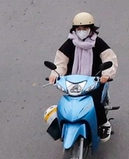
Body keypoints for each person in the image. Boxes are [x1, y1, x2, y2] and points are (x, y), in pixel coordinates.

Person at [47, 12, 118, 141]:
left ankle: (104, 123)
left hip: (94, 81)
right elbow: (60, 62)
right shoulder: (69, 44)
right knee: (65, 105)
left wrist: (106, 75)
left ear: (91, 29)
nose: (81, 31)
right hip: (72, 83)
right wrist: (54, 75)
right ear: (74, 29)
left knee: (95, 103)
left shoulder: (98, 43)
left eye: (84, 29)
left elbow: (110, 59)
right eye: (79, 29)